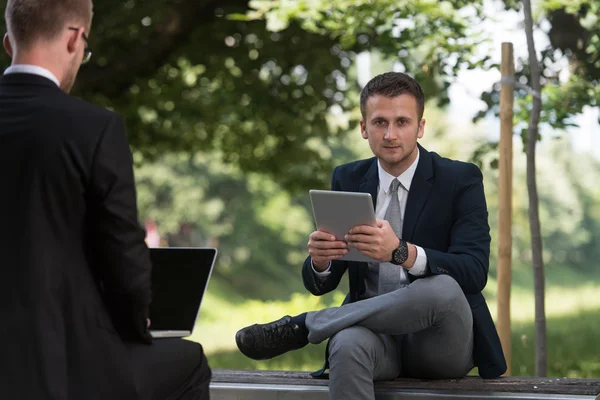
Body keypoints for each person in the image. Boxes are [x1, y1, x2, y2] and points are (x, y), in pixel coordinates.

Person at [235, 72, 506, 399]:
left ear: (420, 127)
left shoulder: (459, 179)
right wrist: (321, 261)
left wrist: (400, 252)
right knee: (347, 343)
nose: (391, 134)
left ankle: (306, 326)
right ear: (364, 128)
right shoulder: (348, 177)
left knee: (443, 287)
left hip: (439, 342)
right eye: (379, 122)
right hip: (377, 337)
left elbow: (474, 273)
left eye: (402, 122)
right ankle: (320, 326)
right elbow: (324, 281)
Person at [0, 1, 211, 399]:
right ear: (76, 38)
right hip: (61, 361)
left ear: (9, 44)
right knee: (189, 361)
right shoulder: (94, 128)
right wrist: (134, 325)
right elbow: (124, 257)